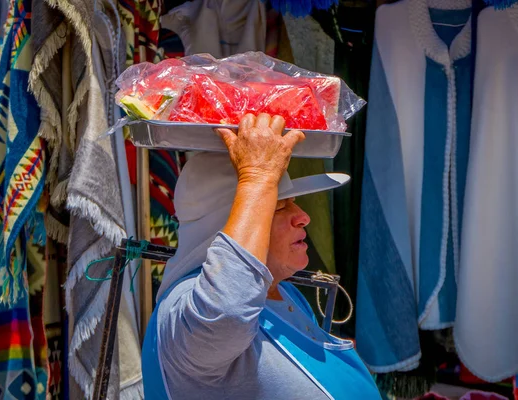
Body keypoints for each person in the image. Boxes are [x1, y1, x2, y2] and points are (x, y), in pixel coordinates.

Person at [142, 113, 381, 399]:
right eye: (278, 206)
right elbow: (227, 312)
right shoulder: (184, 311)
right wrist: (257, 178)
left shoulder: (286, 292)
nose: (303, 217)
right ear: (226, 226)